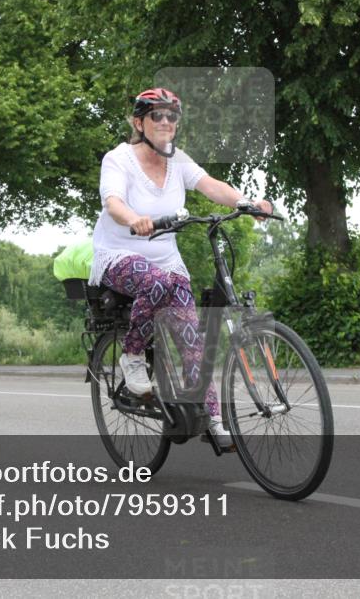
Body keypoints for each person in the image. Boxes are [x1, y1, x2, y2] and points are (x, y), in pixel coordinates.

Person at [90, 87, 272, 450]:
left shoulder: (179, 161)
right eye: (157, 115)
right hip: (119, 253)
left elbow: (211, 186)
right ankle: (133, 355)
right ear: (139, 122)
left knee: (193, 342)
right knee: (156, 281)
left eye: (172, 115)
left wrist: (246, 202)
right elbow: (113, 203)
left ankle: (214, 421)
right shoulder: (118, 159)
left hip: (166, 260)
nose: (166, 121)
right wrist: (136, 219)